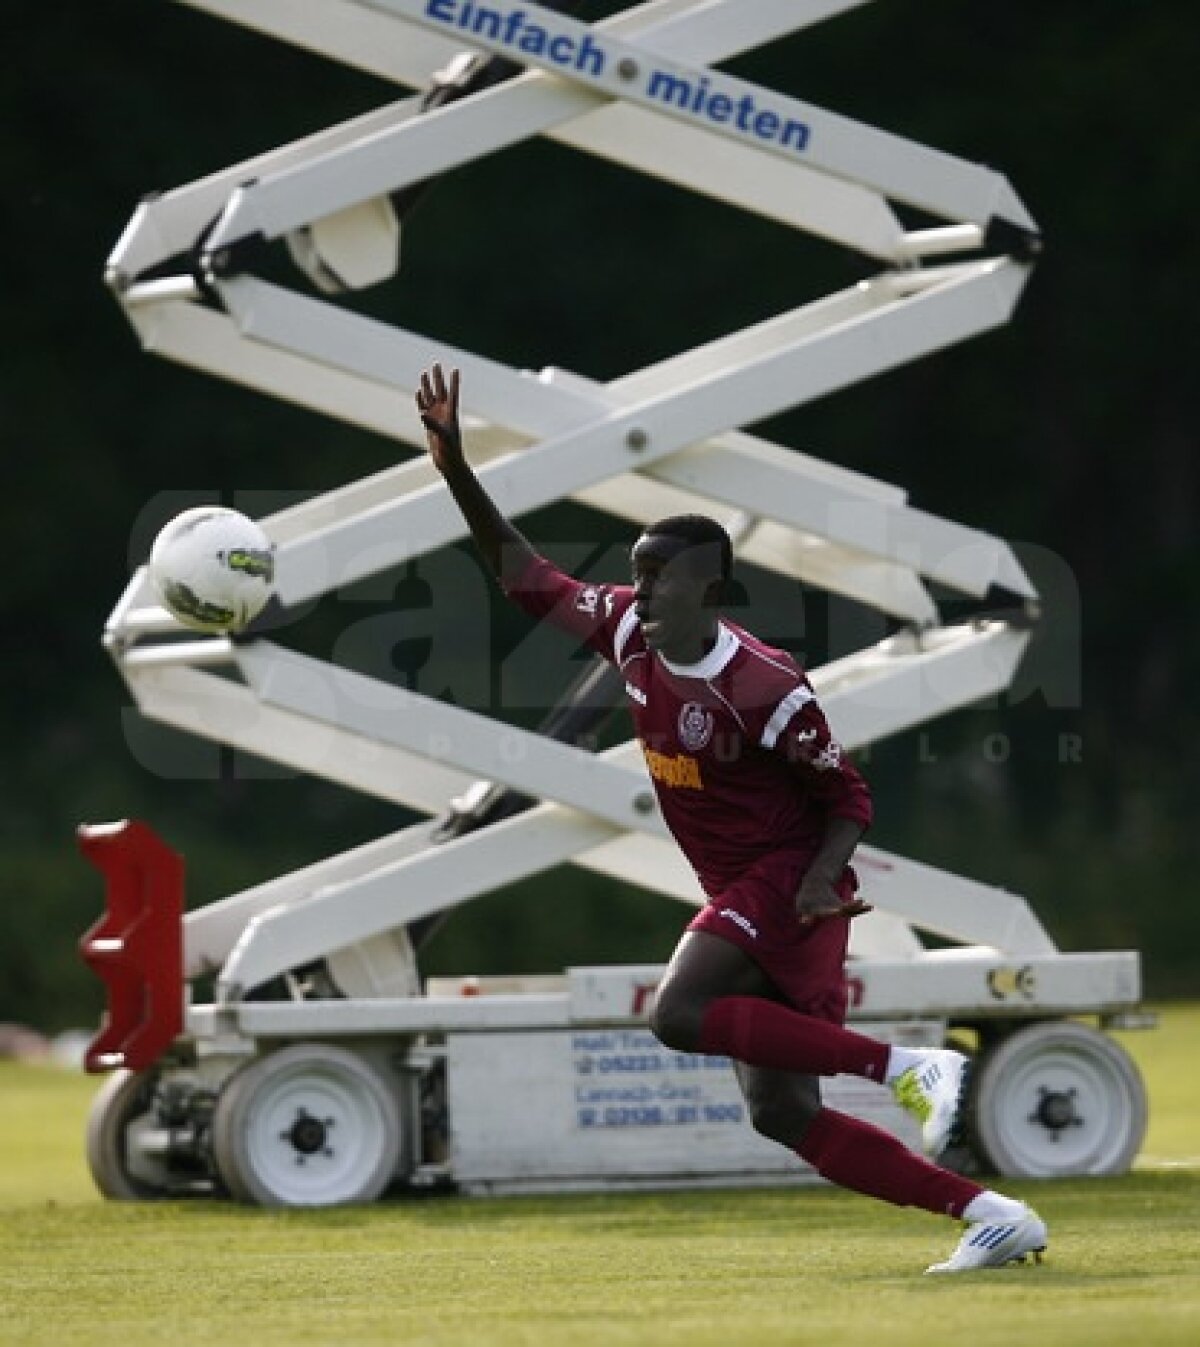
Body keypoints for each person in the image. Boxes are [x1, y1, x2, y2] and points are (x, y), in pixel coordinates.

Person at [416, 363, 1047, 1274]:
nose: (639, 590)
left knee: (678, 1012)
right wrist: (456, 470)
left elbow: (848, 797)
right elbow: (526, 576)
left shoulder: (765, 686)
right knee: (783, 1113)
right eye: (636, 572)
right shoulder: (627, 629)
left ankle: (907, 1066)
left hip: (787, 881)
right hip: (752, 886)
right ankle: (991, 1214)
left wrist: (820, 877)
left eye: (659, 577)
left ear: (709, 590)